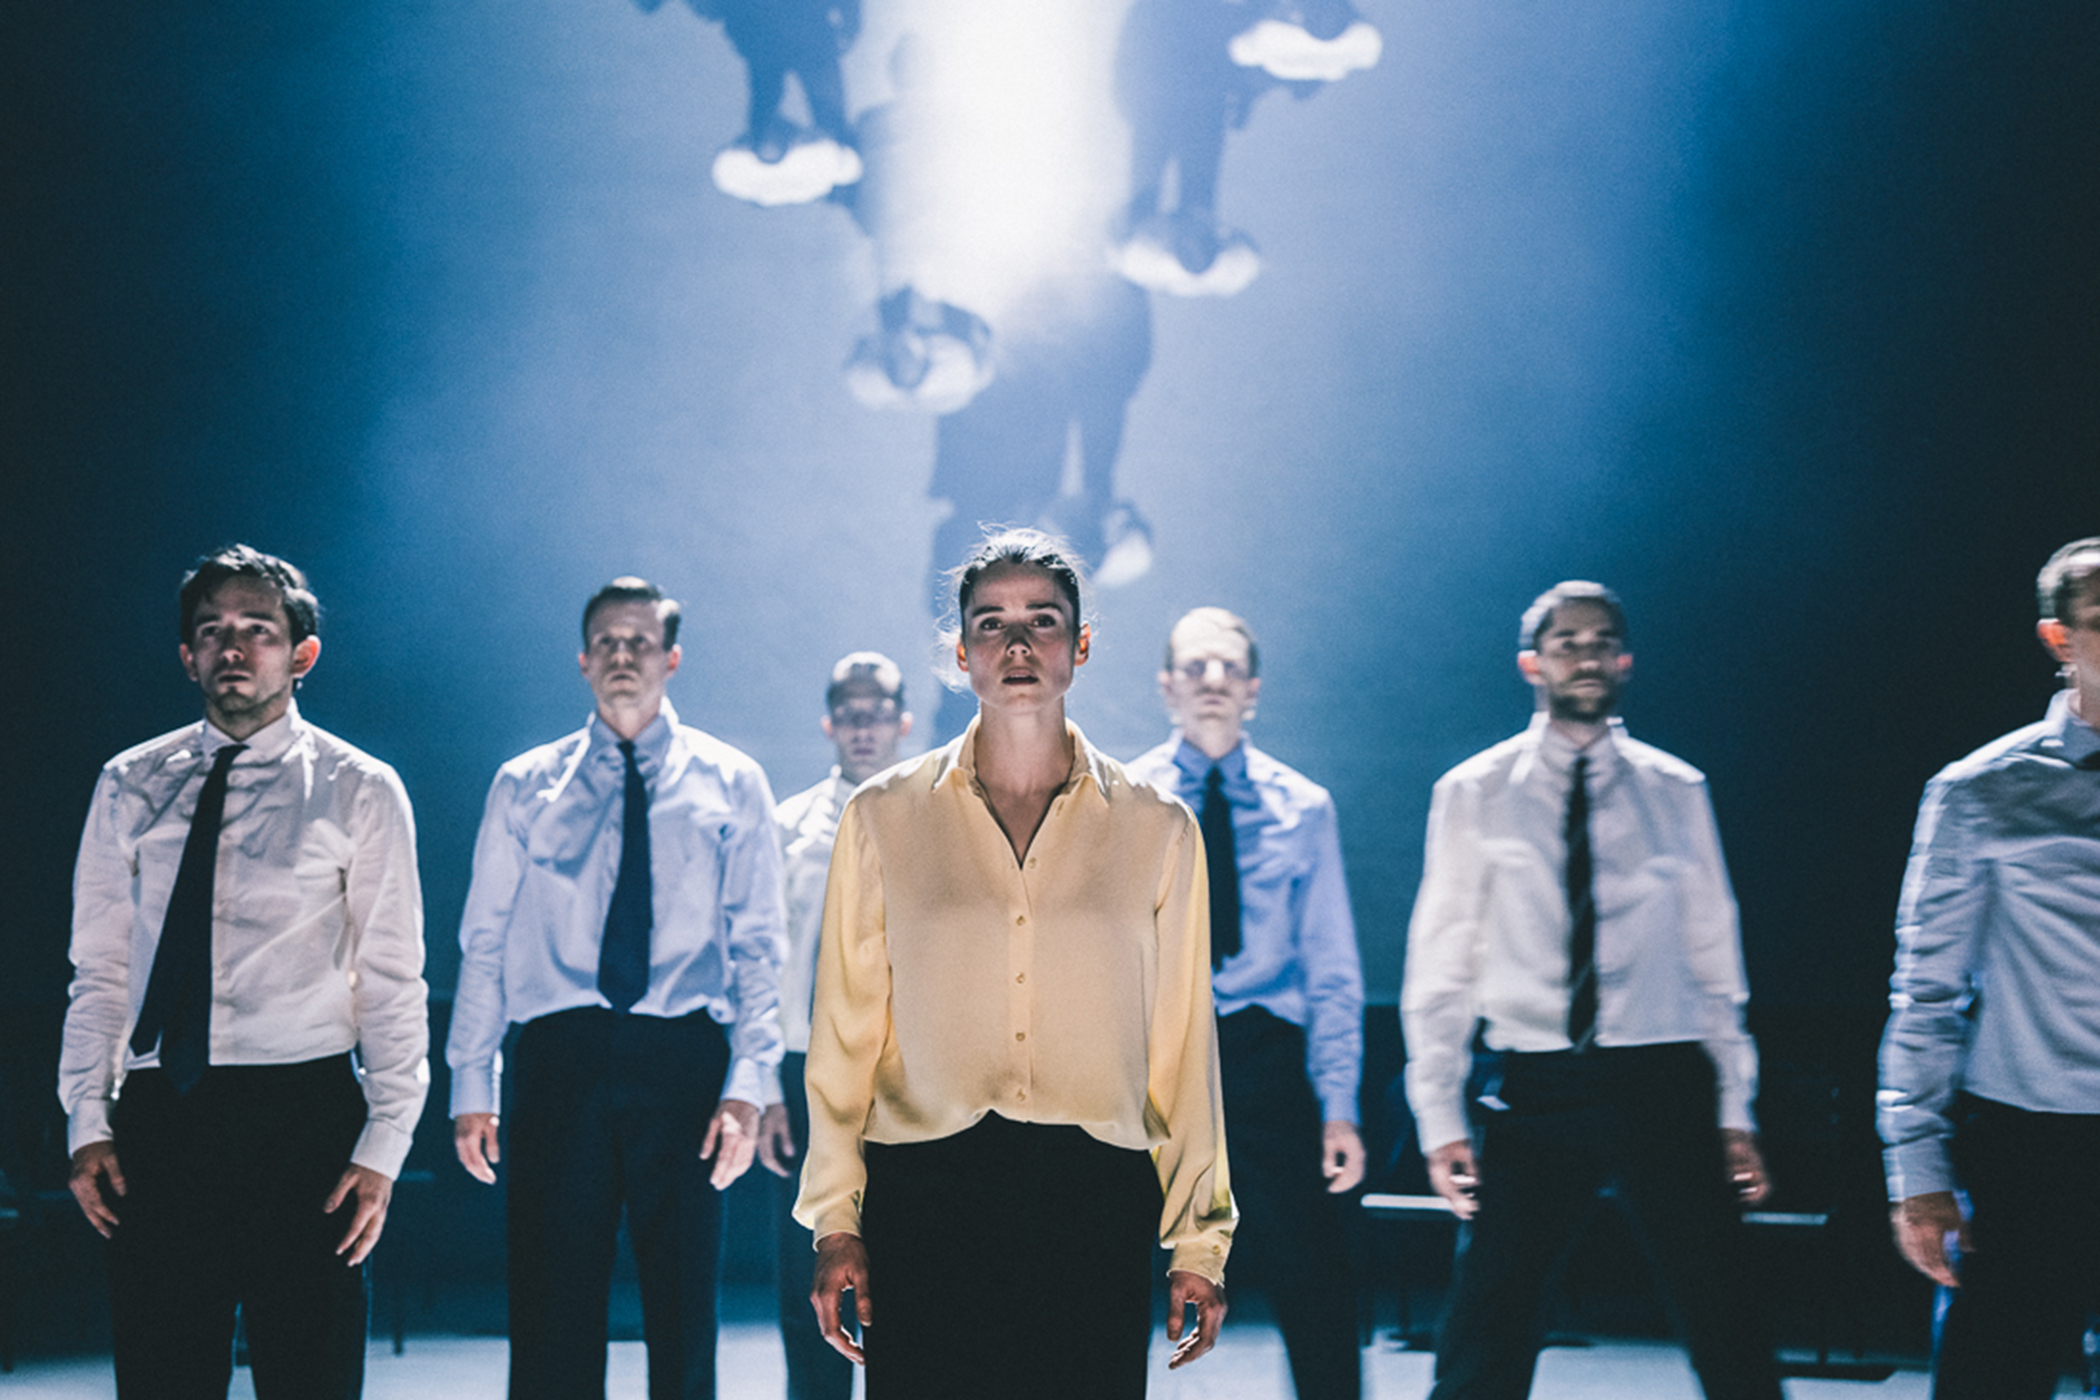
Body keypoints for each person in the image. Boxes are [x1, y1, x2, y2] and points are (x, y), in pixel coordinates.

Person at [796, 528, 1232, 1399]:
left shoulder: (1158, 828)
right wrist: (837, 1223)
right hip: (927, 1197)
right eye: (992, 623)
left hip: (1094, 1199)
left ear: (1081, 645)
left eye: (1043, 619)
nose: (1019, 644)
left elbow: (1183, 1043)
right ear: (961, 652)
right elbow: (845, 1036)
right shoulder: (882, 817)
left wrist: (1200, 1239)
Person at [60, 545, 428, 1399]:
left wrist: (384, 1142)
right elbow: (100, 969)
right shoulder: (129, 783)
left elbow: (392, 977)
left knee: (311, 1377)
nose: (232, 647)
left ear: (302, 654)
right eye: (211, 630)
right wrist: (86, 1120)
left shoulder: (359, 788)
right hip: (164, 1116)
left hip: (305, 1117)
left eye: (258, 629)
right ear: (186, 655)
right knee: (161, 1377)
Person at [1398, 580, 1780, 1400]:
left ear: (1624, 660)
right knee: (1488, 1326)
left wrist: (1734, 1107)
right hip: (1538, 1082)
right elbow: (1441, 965)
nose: (1586, 656)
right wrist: (1438, 1116)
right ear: (1532, 664)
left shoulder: (1677, 789)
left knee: (1727, 1315)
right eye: (1566, 643)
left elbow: (1715, 961)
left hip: (1664, 1074)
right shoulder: (1475, 791)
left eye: (1602, 642)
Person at [446, 577, 785, 1400]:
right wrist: (471, 1080)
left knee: (683, 1307)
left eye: (640, 642)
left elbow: (759, 945)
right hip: (559, 1052)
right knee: (549, 1300)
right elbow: (484, 938)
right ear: (582, 660)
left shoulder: (732, 780)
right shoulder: (524, 783)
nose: (622, 656)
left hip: (683, 1056)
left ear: (672, 658)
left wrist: (749, 1082)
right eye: (606, 642)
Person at [1878, 537, 2100, 1398]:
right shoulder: (1982, 791)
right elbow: (1926, 992)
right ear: (2059, 639)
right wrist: (1918, 1173)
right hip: (2034, 1151)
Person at [1126, 606, 1366, 1399]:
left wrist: (1339, 1107)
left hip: (1267, 1057)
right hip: (1154, 1056)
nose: (1213, 680)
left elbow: (1331, 968)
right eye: (1196, 666)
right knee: (1112, 1270)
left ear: (1253, 688)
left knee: (1315, 1273)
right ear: (1167, 686)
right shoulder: (1123, 801)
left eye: (1229, 667)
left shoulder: (1305, 807)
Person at [760, 652, 914, 1400]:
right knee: (809, 1267)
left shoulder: (932, 821)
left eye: (876, 713)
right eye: (849, 714)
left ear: (902, 723)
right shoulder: (786, 827)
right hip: (806, 1066)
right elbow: (763, 961)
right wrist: (765, 1087)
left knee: (905, 1265)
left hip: (903, 1070)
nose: (862, 727)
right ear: (829, 724)